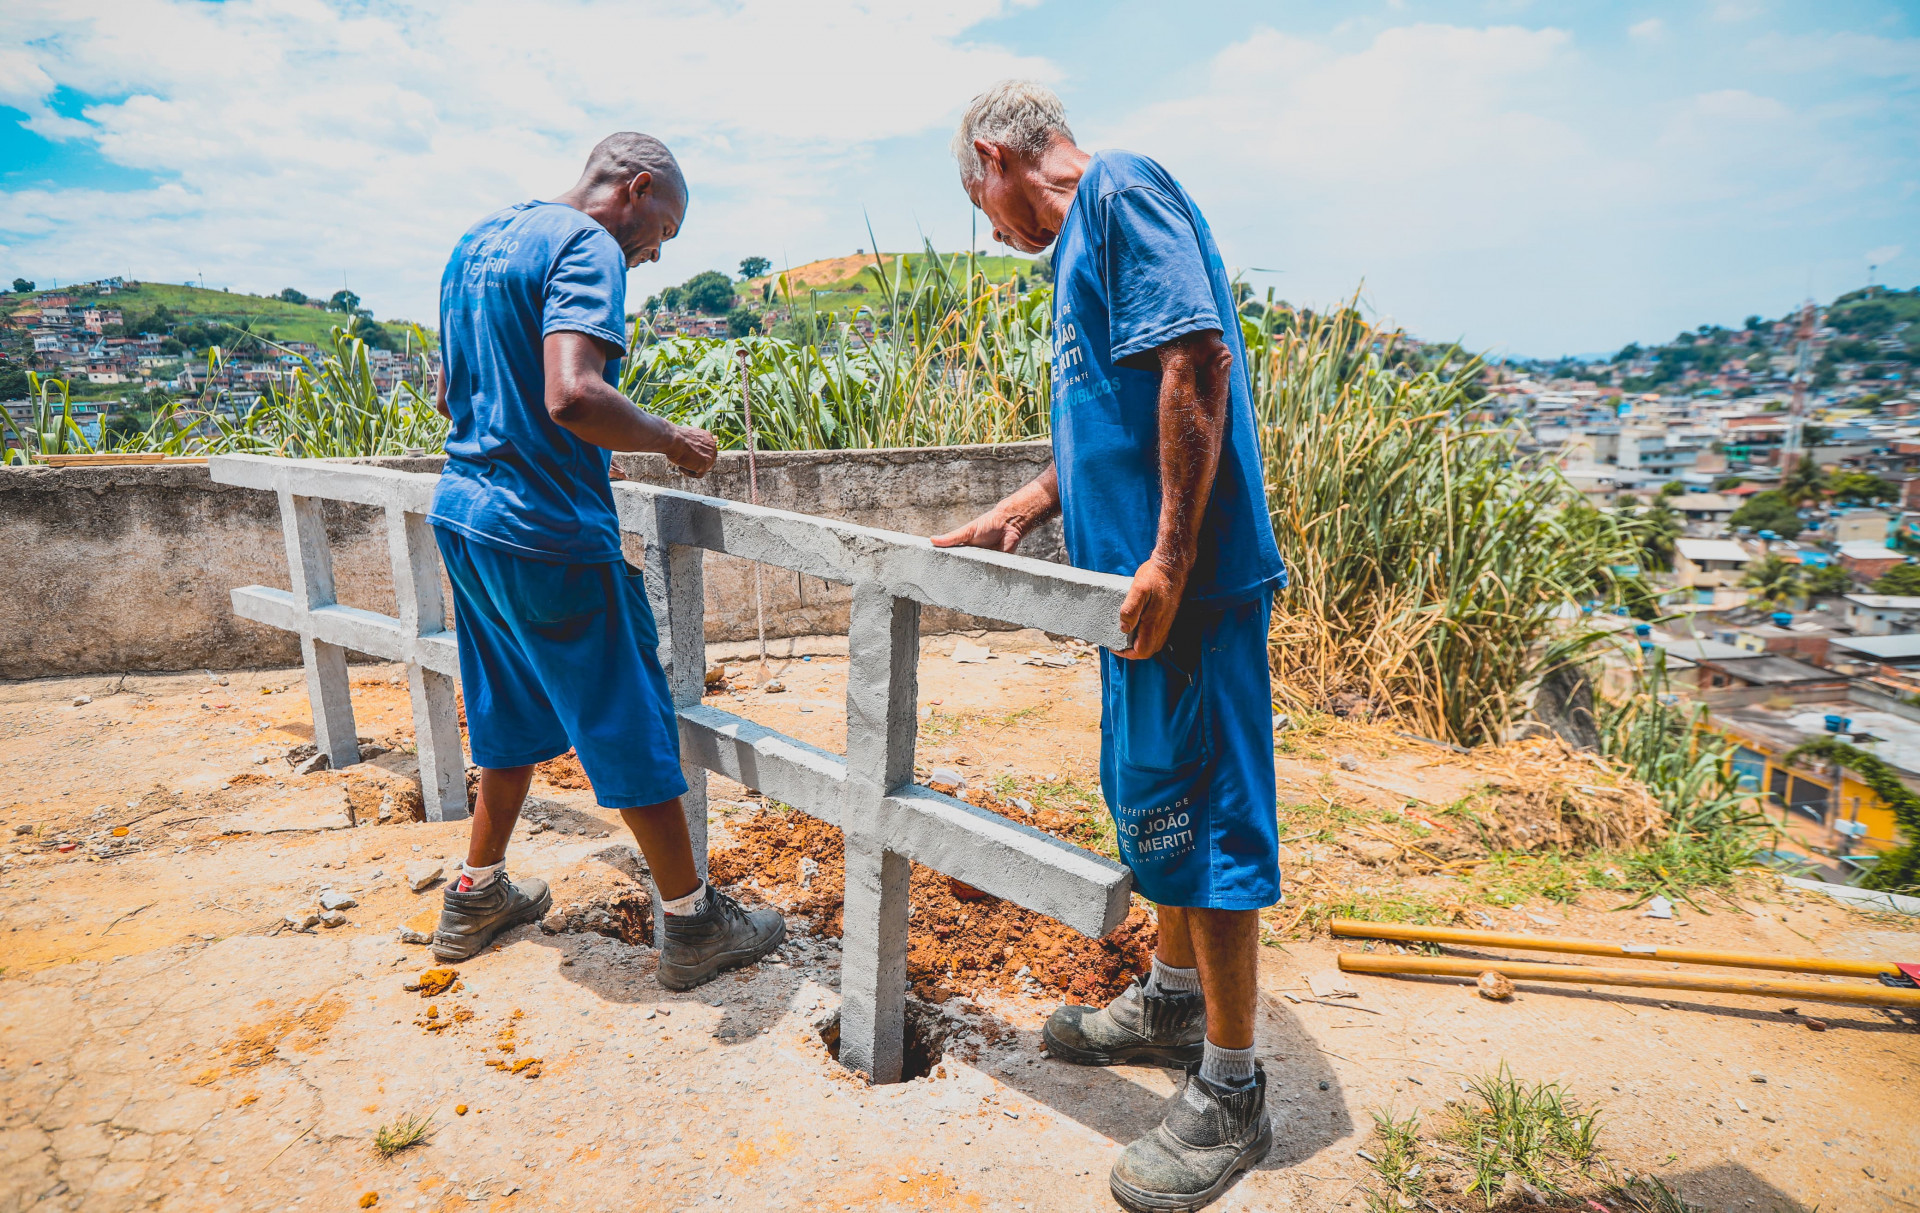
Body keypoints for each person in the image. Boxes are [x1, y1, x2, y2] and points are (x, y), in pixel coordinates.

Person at [935, 83, 1286, 1212]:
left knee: (1213, 819)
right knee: (1161, 806)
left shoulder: (1121, 188)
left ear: (996, 156)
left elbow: (1197, 362)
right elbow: (1112, 417)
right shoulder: (1084, 243)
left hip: (1187, 592)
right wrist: (1029, 505)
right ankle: (1173, 999)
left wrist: (1173, 560)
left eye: (979, 203)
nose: (993, 231)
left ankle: (1232, 1088)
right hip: (1140, 597)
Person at [426, 132, 785, 990]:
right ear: (636, 186)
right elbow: (572, 393)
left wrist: (556, 445)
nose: (658, 252)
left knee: (506, 706)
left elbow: (451, 390)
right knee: (628, 715)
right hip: (546, 531)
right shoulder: (587, 245)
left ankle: (476, 891)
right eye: (664, 227)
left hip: (466, 515)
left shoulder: (480, 240)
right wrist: (669, 440)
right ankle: (694, 921)